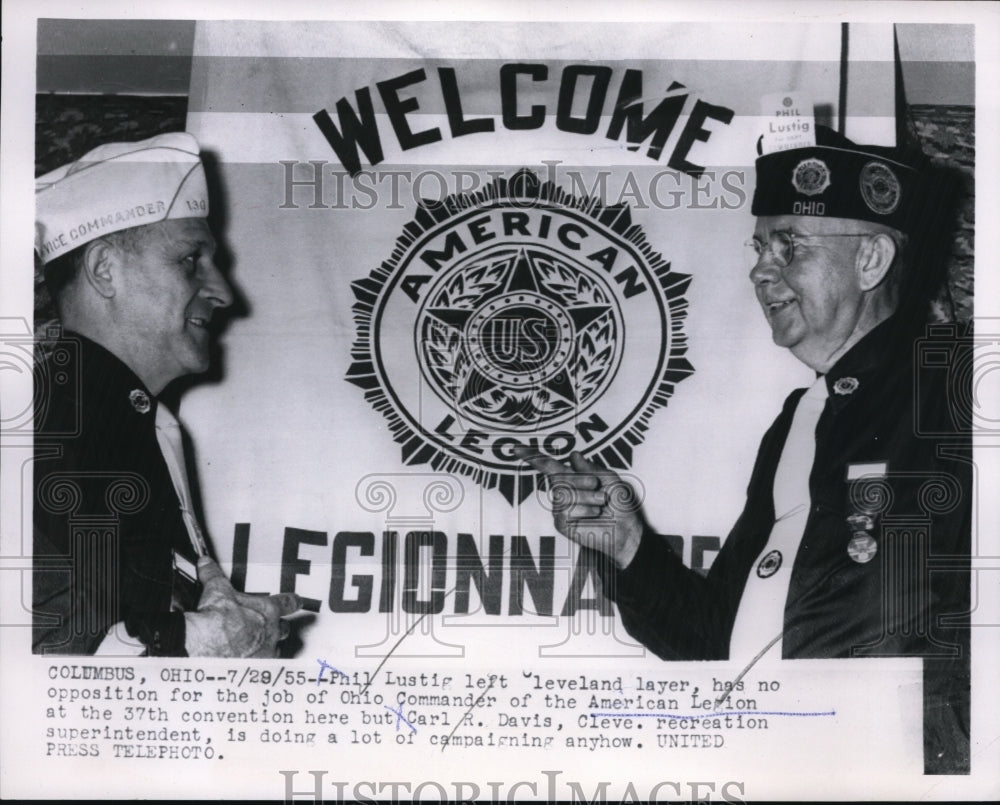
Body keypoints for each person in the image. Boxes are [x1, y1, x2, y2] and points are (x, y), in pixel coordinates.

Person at [518, 125, 971, 774]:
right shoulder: (798, 421)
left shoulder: (963, 384)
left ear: (870, 260)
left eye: (789, 246)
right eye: (759, 247)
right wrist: (626, 547)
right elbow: (714, 643)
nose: (760, 268)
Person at [33, 132, 301, 657]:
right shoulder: (38, 425)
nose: (223, 291)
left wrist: (220, 626)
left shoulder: (136, 420)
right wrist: (197, 641)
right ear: (105, 270)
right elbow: (37, 656)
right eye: (190, 260)